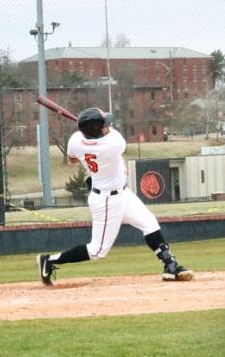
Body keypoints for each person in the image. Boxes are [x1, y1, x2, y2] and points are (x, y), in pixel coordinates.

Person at [37, 108, 194, 286]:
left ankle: (170, 265)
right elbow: (106, 135)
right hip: (106, 201)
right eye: (103, 125)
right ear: (96, 131)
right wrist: (94, 133)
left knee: (149, 223)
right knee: (97, 251)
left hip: (122, 193)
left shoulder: (75, 141)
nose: (108, 126)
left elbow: (73, 160)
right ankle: (50, 260)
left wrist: (88, 136)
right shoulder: (114, 142)